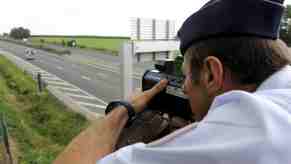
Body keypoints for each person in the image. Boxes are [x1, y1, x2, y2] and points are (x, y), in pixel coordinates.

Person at [54, 0, 291, 163]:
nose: (185, 87)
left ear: (211, 73)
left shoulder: (246, 130)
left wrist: (123, 110)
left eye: (187, 75)